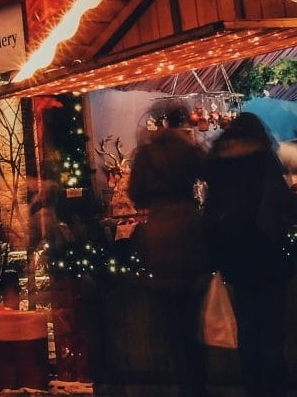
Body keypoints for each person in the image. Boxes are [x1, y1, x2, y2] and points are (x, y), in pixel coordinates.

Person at [205, 113, 295, 397]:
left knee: (247, 325)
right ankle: (273, 388)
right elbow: (282, 201)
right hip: (265, 249)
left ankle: (253, 386)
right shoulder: (263, 159)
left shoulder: (219, 165)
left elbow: (211, 211)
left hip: (236, 254)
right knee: (271, 327)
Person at [126, 99, 209, 397]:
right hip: (189, 230)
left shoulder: (145, 154)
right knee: (194, 319)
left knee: (172, 323)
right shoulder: (189, 150)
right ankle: (198, 384)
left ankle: (183, 382)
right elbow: (210, 174)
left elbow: (135, 192)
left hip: (160, 236)